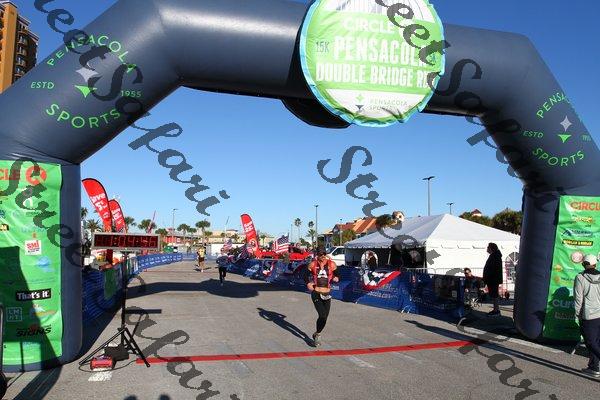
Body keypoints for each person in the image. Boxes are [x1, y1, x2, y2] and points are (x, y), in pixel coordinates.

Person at [306, 248, 340, 346]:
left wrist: (336, 278)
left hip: (327, 294)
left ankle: (317, 333)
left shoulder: (331, 264)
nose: (323, 256)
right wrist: (308, 283)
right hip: (316, 293)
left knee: (325, 318)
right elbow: (304, 275)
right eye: (320, 254)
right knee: (322, 315)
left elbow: (338, 275)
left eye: (324, 254)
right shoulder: (313, 264)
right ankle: (318, 336)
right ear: (317, 255)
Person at [574, 254, 600, 377]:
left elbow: (578, 299)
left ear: (584, 264)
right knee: (597, 342)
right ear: (595, 264)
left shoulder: (580, 277)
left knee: (590, 342)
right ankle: (594, 367)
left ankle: (594, 367)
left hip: (589, 315)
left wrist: (577, 314)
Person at [483, 242, 503, 316]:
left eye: (488, 247)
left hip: (493, 279)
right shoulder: (494, 256)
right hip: (493, 279)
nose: (487, 249)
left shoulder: (495, 256)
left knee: (494, 295)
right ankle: (496, 309)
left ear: (491, 248)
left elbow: (492, 269)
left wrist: (487, 277)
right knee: (494, 294)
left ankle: (496, 310)